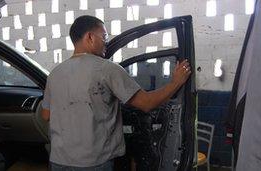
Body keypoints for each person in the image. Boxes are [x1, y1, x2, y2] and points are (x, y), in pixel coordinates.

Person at [41, 15, 191, 171]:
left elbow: (46, 115)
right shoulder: (107, 69)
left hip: (58, 161)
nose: (106, 41)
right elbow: (147, 104)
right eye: (104, 36)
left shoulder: (55, 73)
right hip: (94, 163)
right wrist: (176, 82)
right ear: (90, 37)